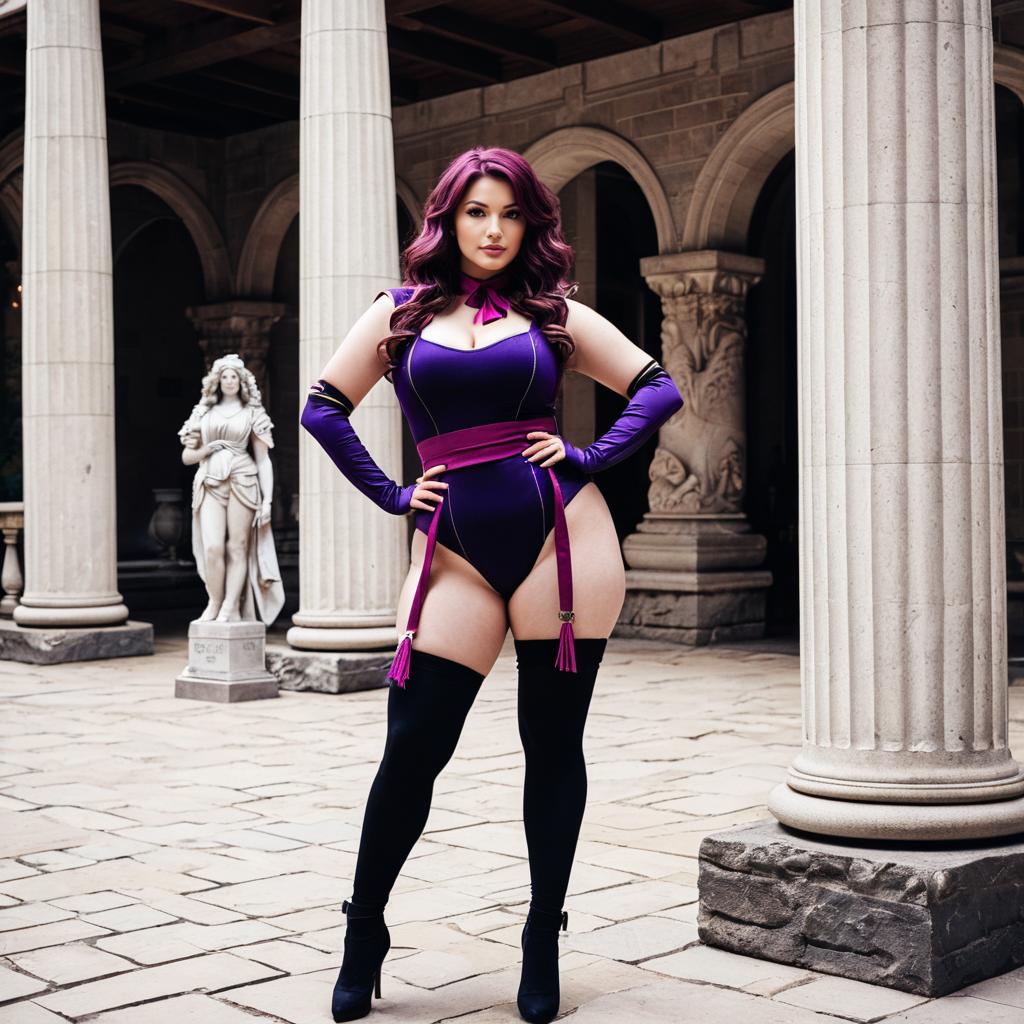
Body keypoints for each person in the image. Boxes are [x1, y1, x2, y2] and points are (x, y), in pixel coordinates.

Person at [300, 147, 684, 1024]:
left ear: (530, 226)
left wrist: (589, 456)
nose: (494, 230)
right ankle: (365, 930)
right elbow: (323, 406)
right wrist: (393, 494)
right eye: (478, 212)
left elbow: (656, 390)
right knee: (414, 747)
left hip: (564, 544)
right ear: (449, 218)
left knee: (553, 748)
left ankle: (541, 935)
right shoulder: (397, 314)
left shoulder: (554, 316)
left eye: (511, 215)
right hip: (456, 551)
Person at [179, 353, 284, 626]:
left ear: (241, 381)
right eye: (224, 376)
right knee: (213, 547)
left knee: (237, 547)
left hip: (243, 480)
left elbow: (263, 459)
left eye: (233, 376)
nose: (228, 381)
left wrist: (268, 501)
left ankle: (231, 607)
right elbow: (187, 457)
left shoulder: (253, 414)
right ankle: (214, 601)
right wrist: (206, 448)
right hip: (210, 481)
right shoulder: (203, 413)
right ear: (217, 380)